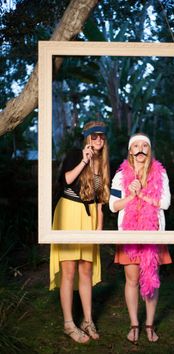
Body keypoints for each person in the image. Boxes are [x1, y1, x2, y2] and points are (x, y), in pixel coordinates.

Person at [50, 121, 110, 344]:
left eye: (102, 137)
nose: (98, 141)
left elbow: (101, 200)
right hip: (69, 213)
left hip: (91, 216)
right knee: (69, 271)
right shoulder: (76, 154)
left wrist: (100, 226)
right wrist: (84, 160)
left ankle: (87, 320)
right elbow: (65, 180)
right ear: (86, 138)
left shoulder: (103, 163)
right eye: (94, 137)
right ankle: (68, 324)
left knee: (86, 270)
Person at [109, 133, 172, 344]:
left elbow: (165, 203)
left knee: (151, 280)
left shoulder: (160, 174)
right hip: (129, 233)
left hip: (153, 231)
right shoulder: (120, 176)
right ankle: (134, 324)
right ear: (130, 150)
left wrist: (142, 193)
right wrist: (131, 195)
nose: (141, 149)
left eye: (145, 145)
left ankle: (150, 325)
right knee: (132, 279)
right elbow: (113, 206)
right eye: (136, 145)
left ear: (149, 150)